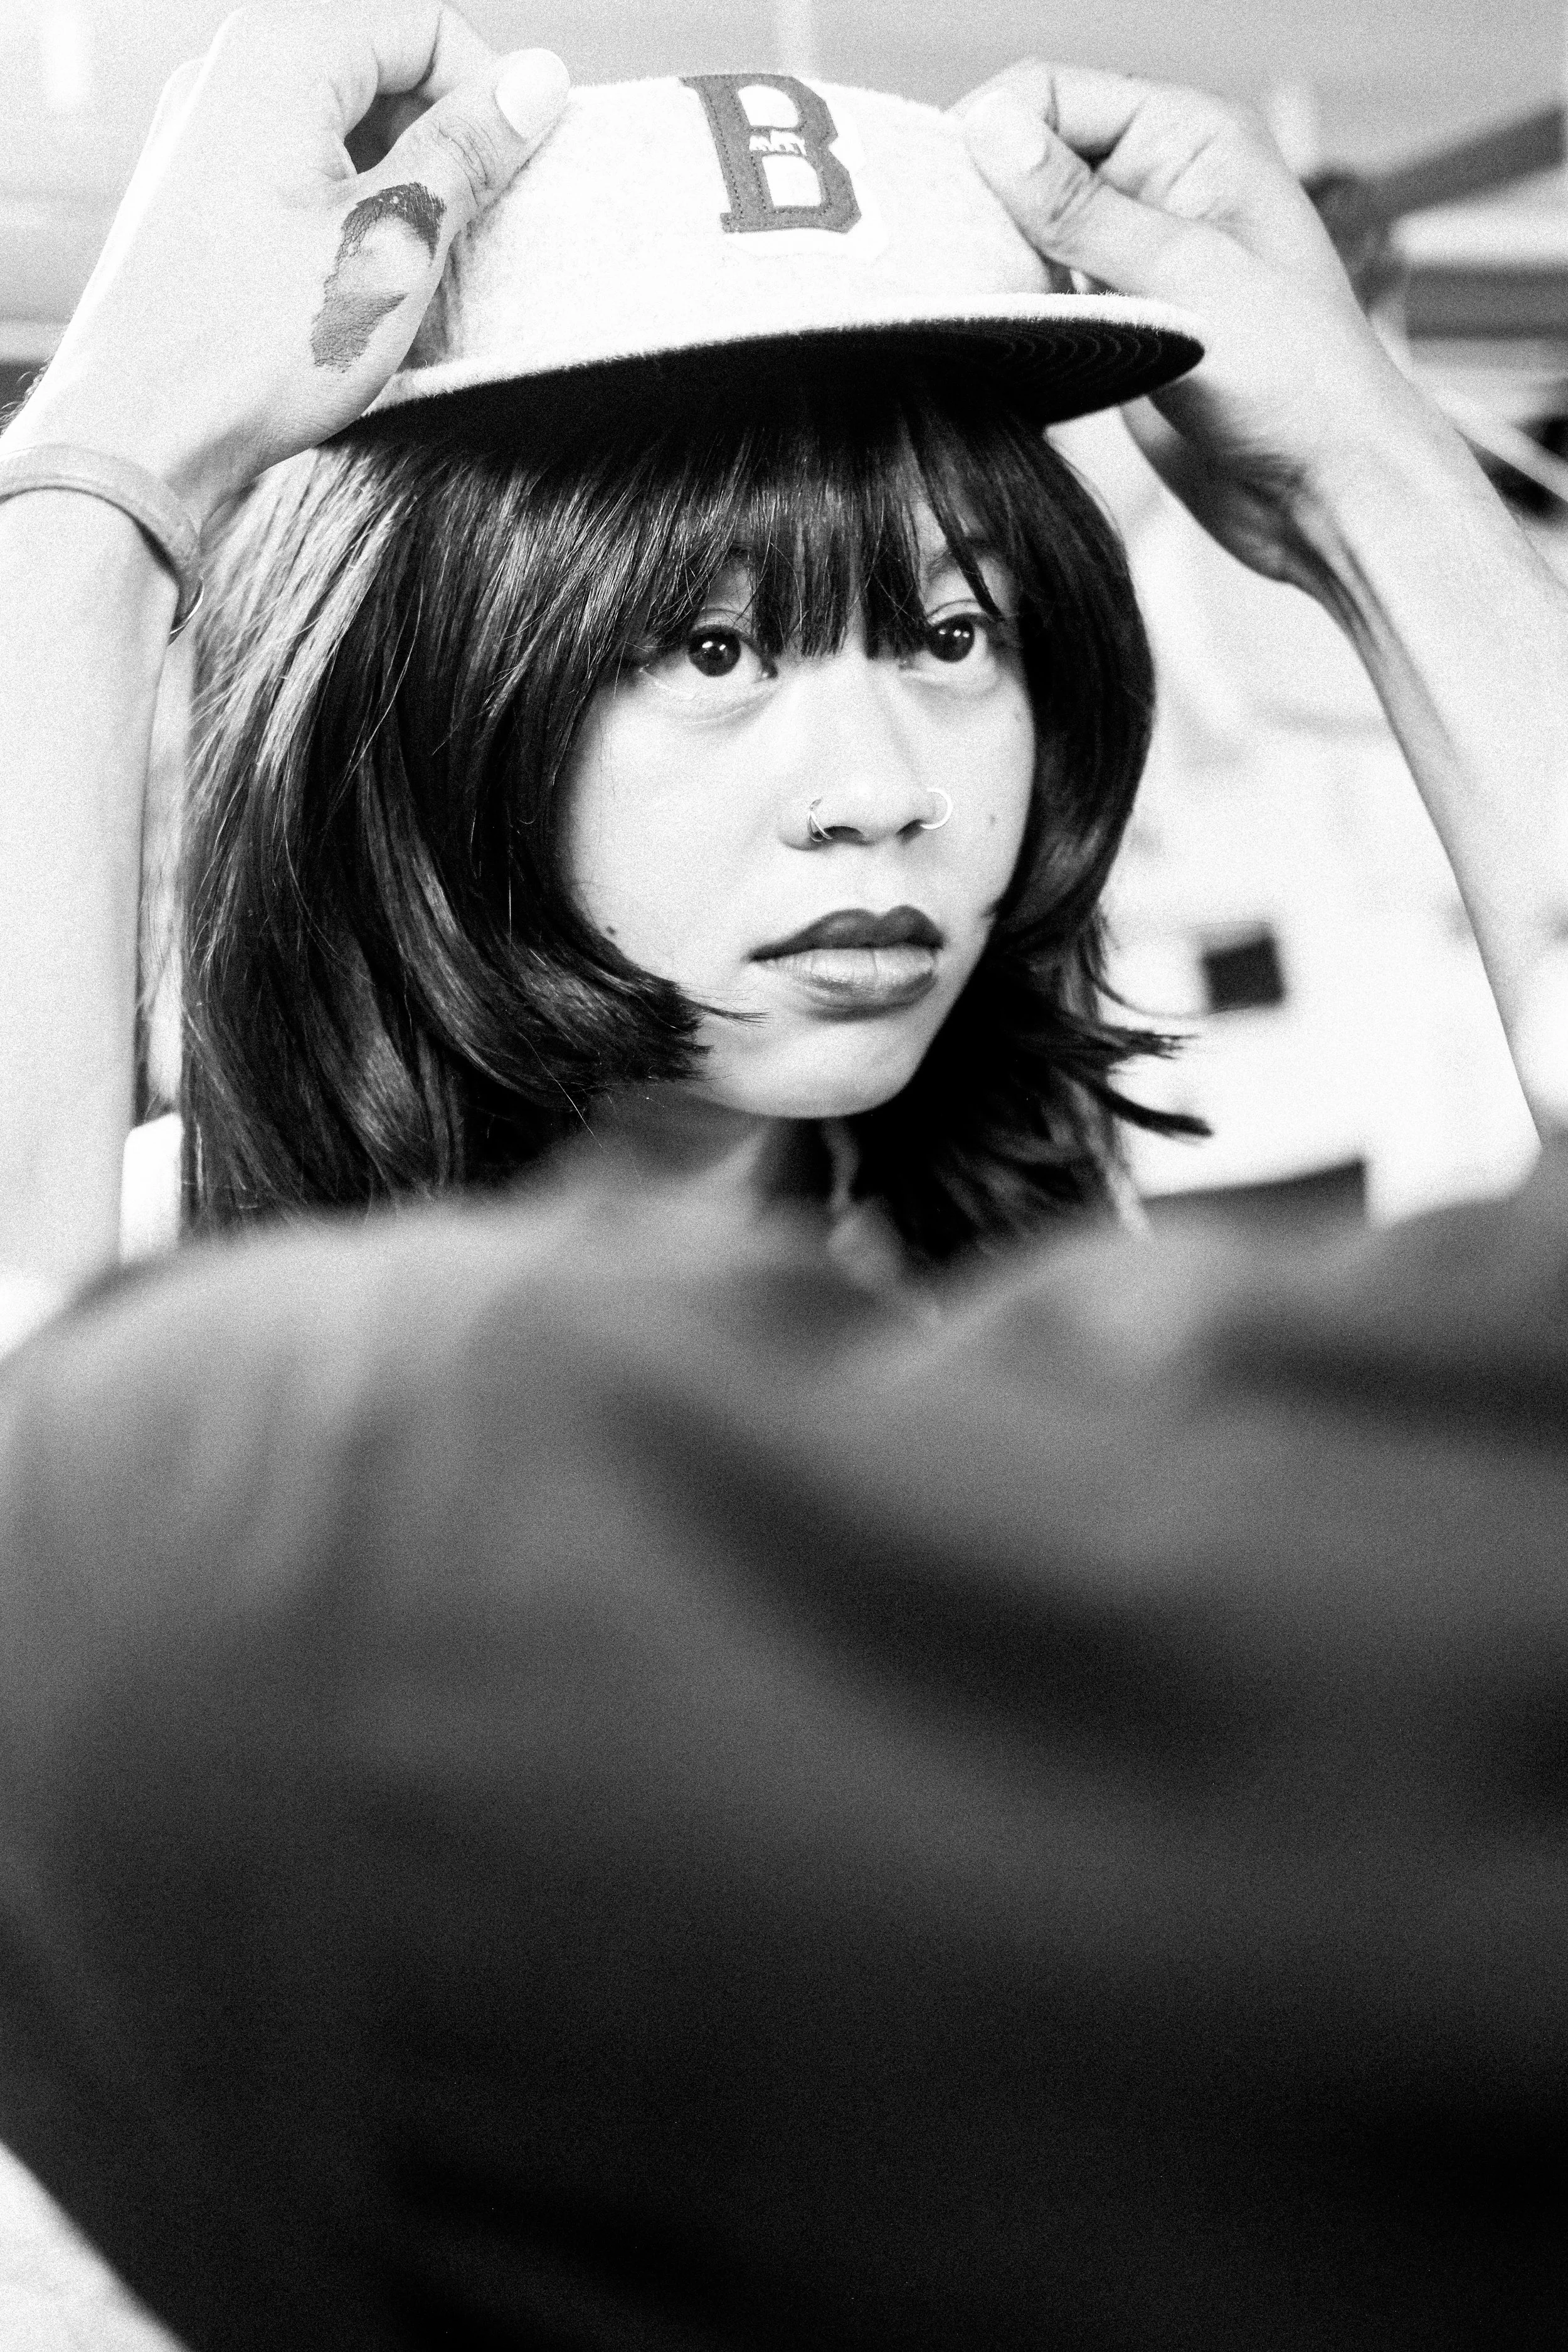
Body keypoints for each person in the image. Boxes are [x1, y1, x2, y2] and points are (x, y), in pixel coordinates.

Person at [4, 6, 1567, 1327]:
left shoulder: (1032, 1318)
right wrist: (107, 470)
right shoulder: (152, 1307)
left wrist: (1367, 490)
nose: (881, 796)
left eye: (954, 638)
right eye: (713, 648)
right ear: (429, 697)